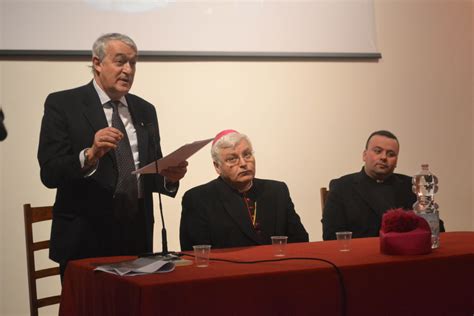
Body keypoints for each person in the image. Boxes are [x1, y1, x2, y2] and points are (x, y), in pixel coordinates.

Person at [37, 33, 188, 278]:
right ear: (97, 63)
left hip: (136, 238)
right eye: (120, 62)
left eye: (133, 62)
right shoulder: (63, 104)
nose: (128, 70)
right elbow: (50, 172)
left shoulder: (145, 110)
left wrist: (170, 177)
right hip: (84, 239)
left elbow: (148, 173)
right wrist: (90, 154)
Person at [179, 130, 308, 251]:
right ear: (217, 166)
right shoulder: (198, 199)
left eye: (247, 155)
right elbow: (197, 253)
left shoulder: (277, 191)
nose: (243, 163)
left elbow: (300, 240)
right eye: (232, 158)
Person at [322, 130, 444, 240]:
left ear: (396, 161)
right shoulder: (342, 187)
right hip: (361, 258)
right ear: (364, 155)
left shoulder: (411, 185)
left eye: (391, 154)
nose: (384, 157)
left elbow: (436, 228)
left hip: (405, 256)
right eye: (378, 151)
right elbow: (331, 236)